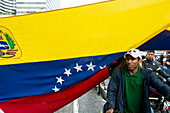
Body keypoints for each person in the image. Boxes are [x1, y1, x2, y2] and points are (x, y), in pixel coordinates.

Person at [104, 48, 170, 113]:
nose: (129, 61)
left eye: (133, 59)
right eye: (128, 59)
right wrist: (110, 106)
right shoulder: (118, 73)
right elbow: (111, 91)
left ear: (139, 60)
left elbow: (161, 87)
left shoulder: (147, 74)